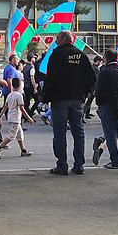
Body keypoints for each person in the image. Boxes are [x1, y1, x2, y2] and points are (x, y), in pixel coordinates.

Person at [43, 30, 96, 176]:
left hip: (60, 98)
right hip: (77, 98)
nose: (56, 40)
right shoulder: (81, 55)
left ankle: (62, 164)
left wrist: (47, 96)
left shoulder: (57, 54)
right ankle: (79, 165)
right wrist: (84, 92)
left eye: (57, 38)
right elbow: (92, 77)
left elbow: (50, 77)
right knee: (78, 131)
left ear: (63, 39)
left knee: (59, 132)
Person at [90, 49, 118, 169]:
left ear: (106, 58)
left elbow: (99, 89)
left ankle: (115, 161)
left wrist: (99, 103)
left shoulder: (104, 71)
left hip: (107, 104)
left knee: (110, 135)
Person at [0, 77, 34, 159]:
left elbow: (5, 106)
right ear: (20, 85)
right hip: (16, 118)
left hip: (11, 117)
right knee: (12, 135)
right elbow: (22, 108)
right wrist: (29, 118)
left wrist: (0, 116)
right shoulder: (19, 96)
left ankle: (23, 150)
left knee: (20, 134)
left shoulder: (10, 95)